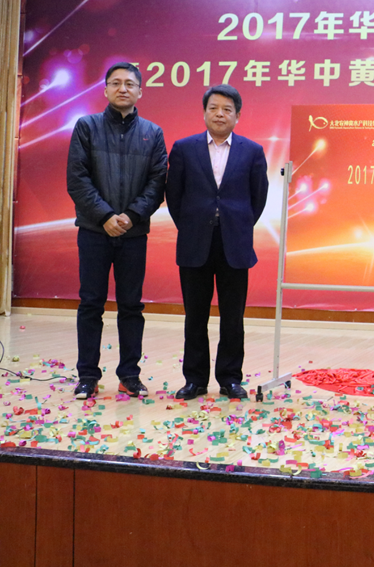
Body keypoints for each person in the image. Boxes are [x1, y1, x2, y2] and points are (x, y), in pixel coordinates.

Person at [66, 62, 167, 399]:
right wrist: (106, 216)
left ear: (140, 91)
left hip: (133, 234)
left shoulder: (152, 133)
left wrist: (131, 216)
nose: (123, 89)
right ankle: (87, 377)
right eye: (116, 83)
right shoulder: (87, 127)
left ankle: (130, 376)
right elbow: (77, 179)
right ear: (106, 89)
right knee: (90, 304)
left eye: (130, 84)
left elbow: (157, 183)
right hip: (94, 232)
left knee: (131, 306)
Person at [166, 84, 268, 400]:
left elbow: (258, 198)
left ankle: (230, 379)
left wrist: (236, 225)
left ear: (237, 115)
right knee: (195, 316)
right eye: (213, 108)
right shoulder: (184, 148)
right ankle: (195, 380)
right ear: (204, 112)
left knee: (232, 317)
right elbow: (174, 196)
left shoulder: (252, 151)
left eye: (227, 109)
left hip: (234, 244)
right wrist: (192, 225)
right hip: (194, 242)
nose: (219, 114)